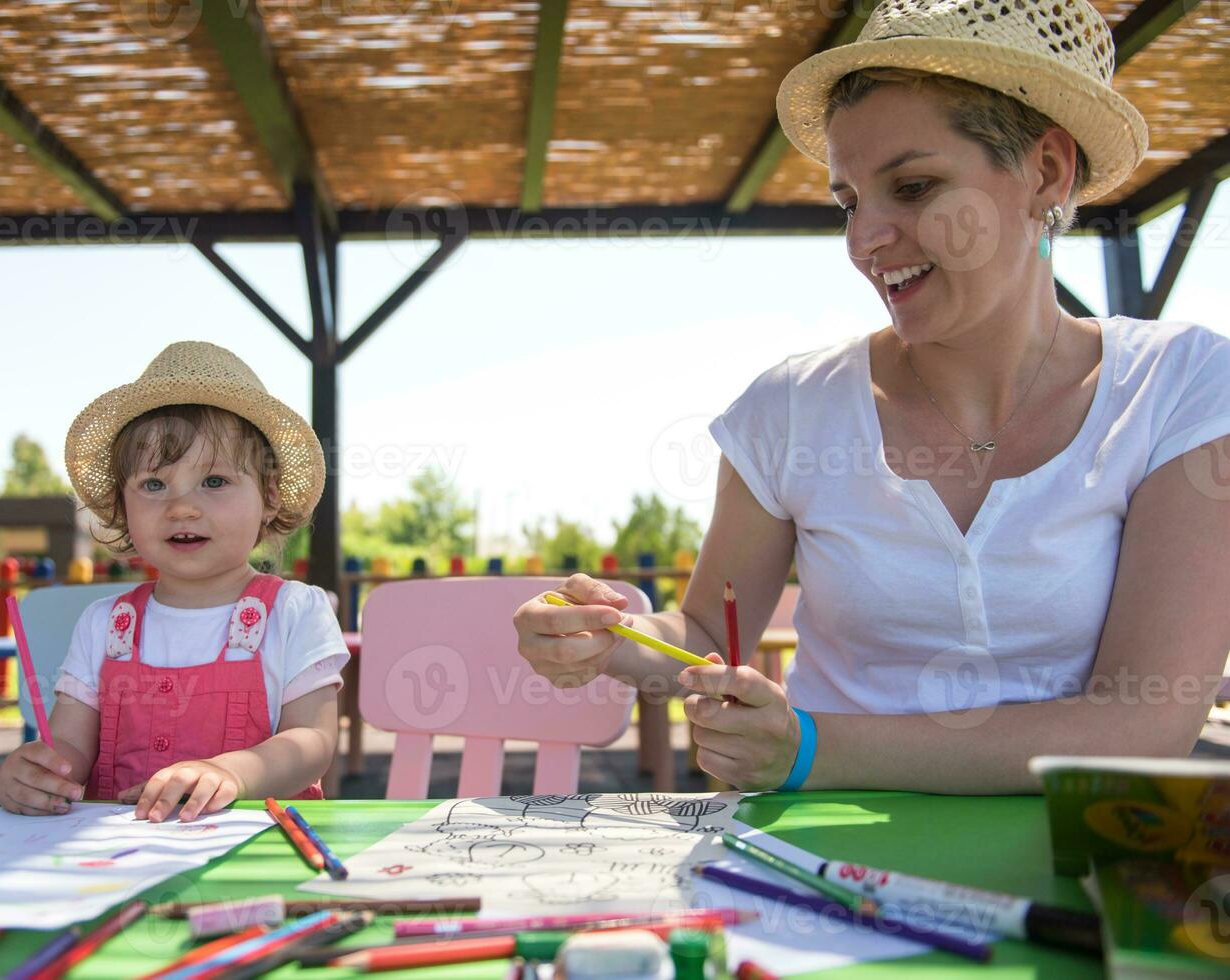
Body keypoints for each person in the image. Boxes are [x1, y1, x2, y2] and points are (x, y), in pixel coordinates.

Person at [515, 0, 1230, 794]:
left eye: (913, 187)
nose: (863, 241)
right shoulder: (787, 409)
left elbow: (1136, 725)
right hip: (808, 871)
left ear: (1046, 170)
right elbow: (702, 633)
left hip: (1079, 874)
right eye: (849, 202)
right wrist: (611, 637)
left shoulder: (1181, 389)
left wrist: (812, 750)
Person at [0, 342, 349, 821]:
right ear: (123, 507)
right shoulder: (104, 624)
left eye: (215, 481)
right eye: (154, 485)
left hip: (254, 859)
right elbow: (69, 744)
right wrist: (36, 772)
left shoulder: (295, 612)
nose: (182, 507)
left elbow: (313, 743)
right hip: (113, 864)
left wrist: (234, 772)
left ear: (267, 497)